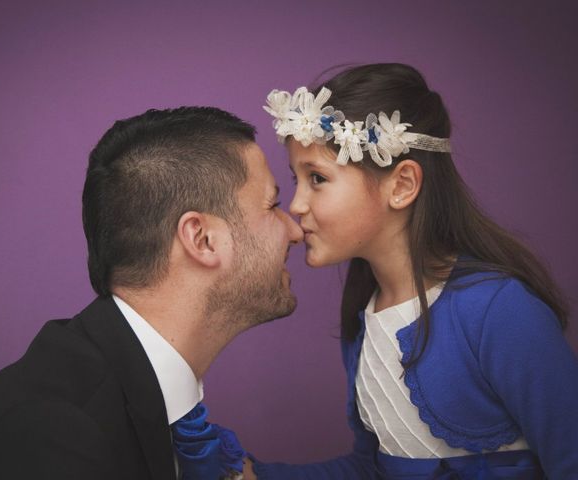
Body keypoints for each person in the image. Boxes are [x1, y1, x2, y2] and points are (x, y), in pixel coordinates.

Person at [245, 63, 578, 479]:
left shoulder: (499, 311)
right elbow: (371, 469)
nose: (296, 205)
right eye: (296, 179)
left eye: (317, 178)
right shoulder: (365, 318)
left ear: (402, 185)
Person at [0, 107, 303, 480]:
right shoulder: (54, 438)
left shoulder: (115, 391)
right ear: (202, 239)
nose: (295, 231)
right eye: (272, 205)